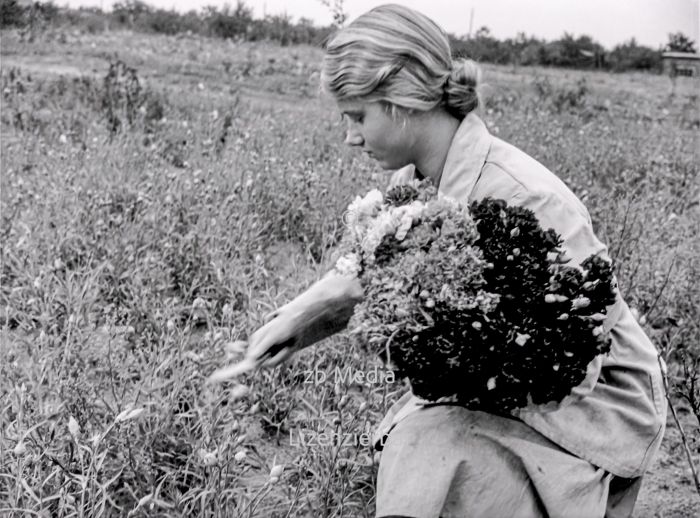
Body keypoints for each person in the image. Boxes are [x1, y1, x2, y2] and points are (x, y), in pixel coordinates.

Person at [239, 5, 667, 517]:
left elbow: (580, 355)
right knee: (423, 447)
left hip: (592, 406)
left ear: (402, 101)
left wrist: (449, 363)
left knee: (433, 455)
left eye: (358, 117)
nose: (350, 137)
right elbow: (371, 275)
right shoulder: (413, 184)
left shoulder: (524, 195)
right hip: (507, 391)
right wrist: (294, 323)